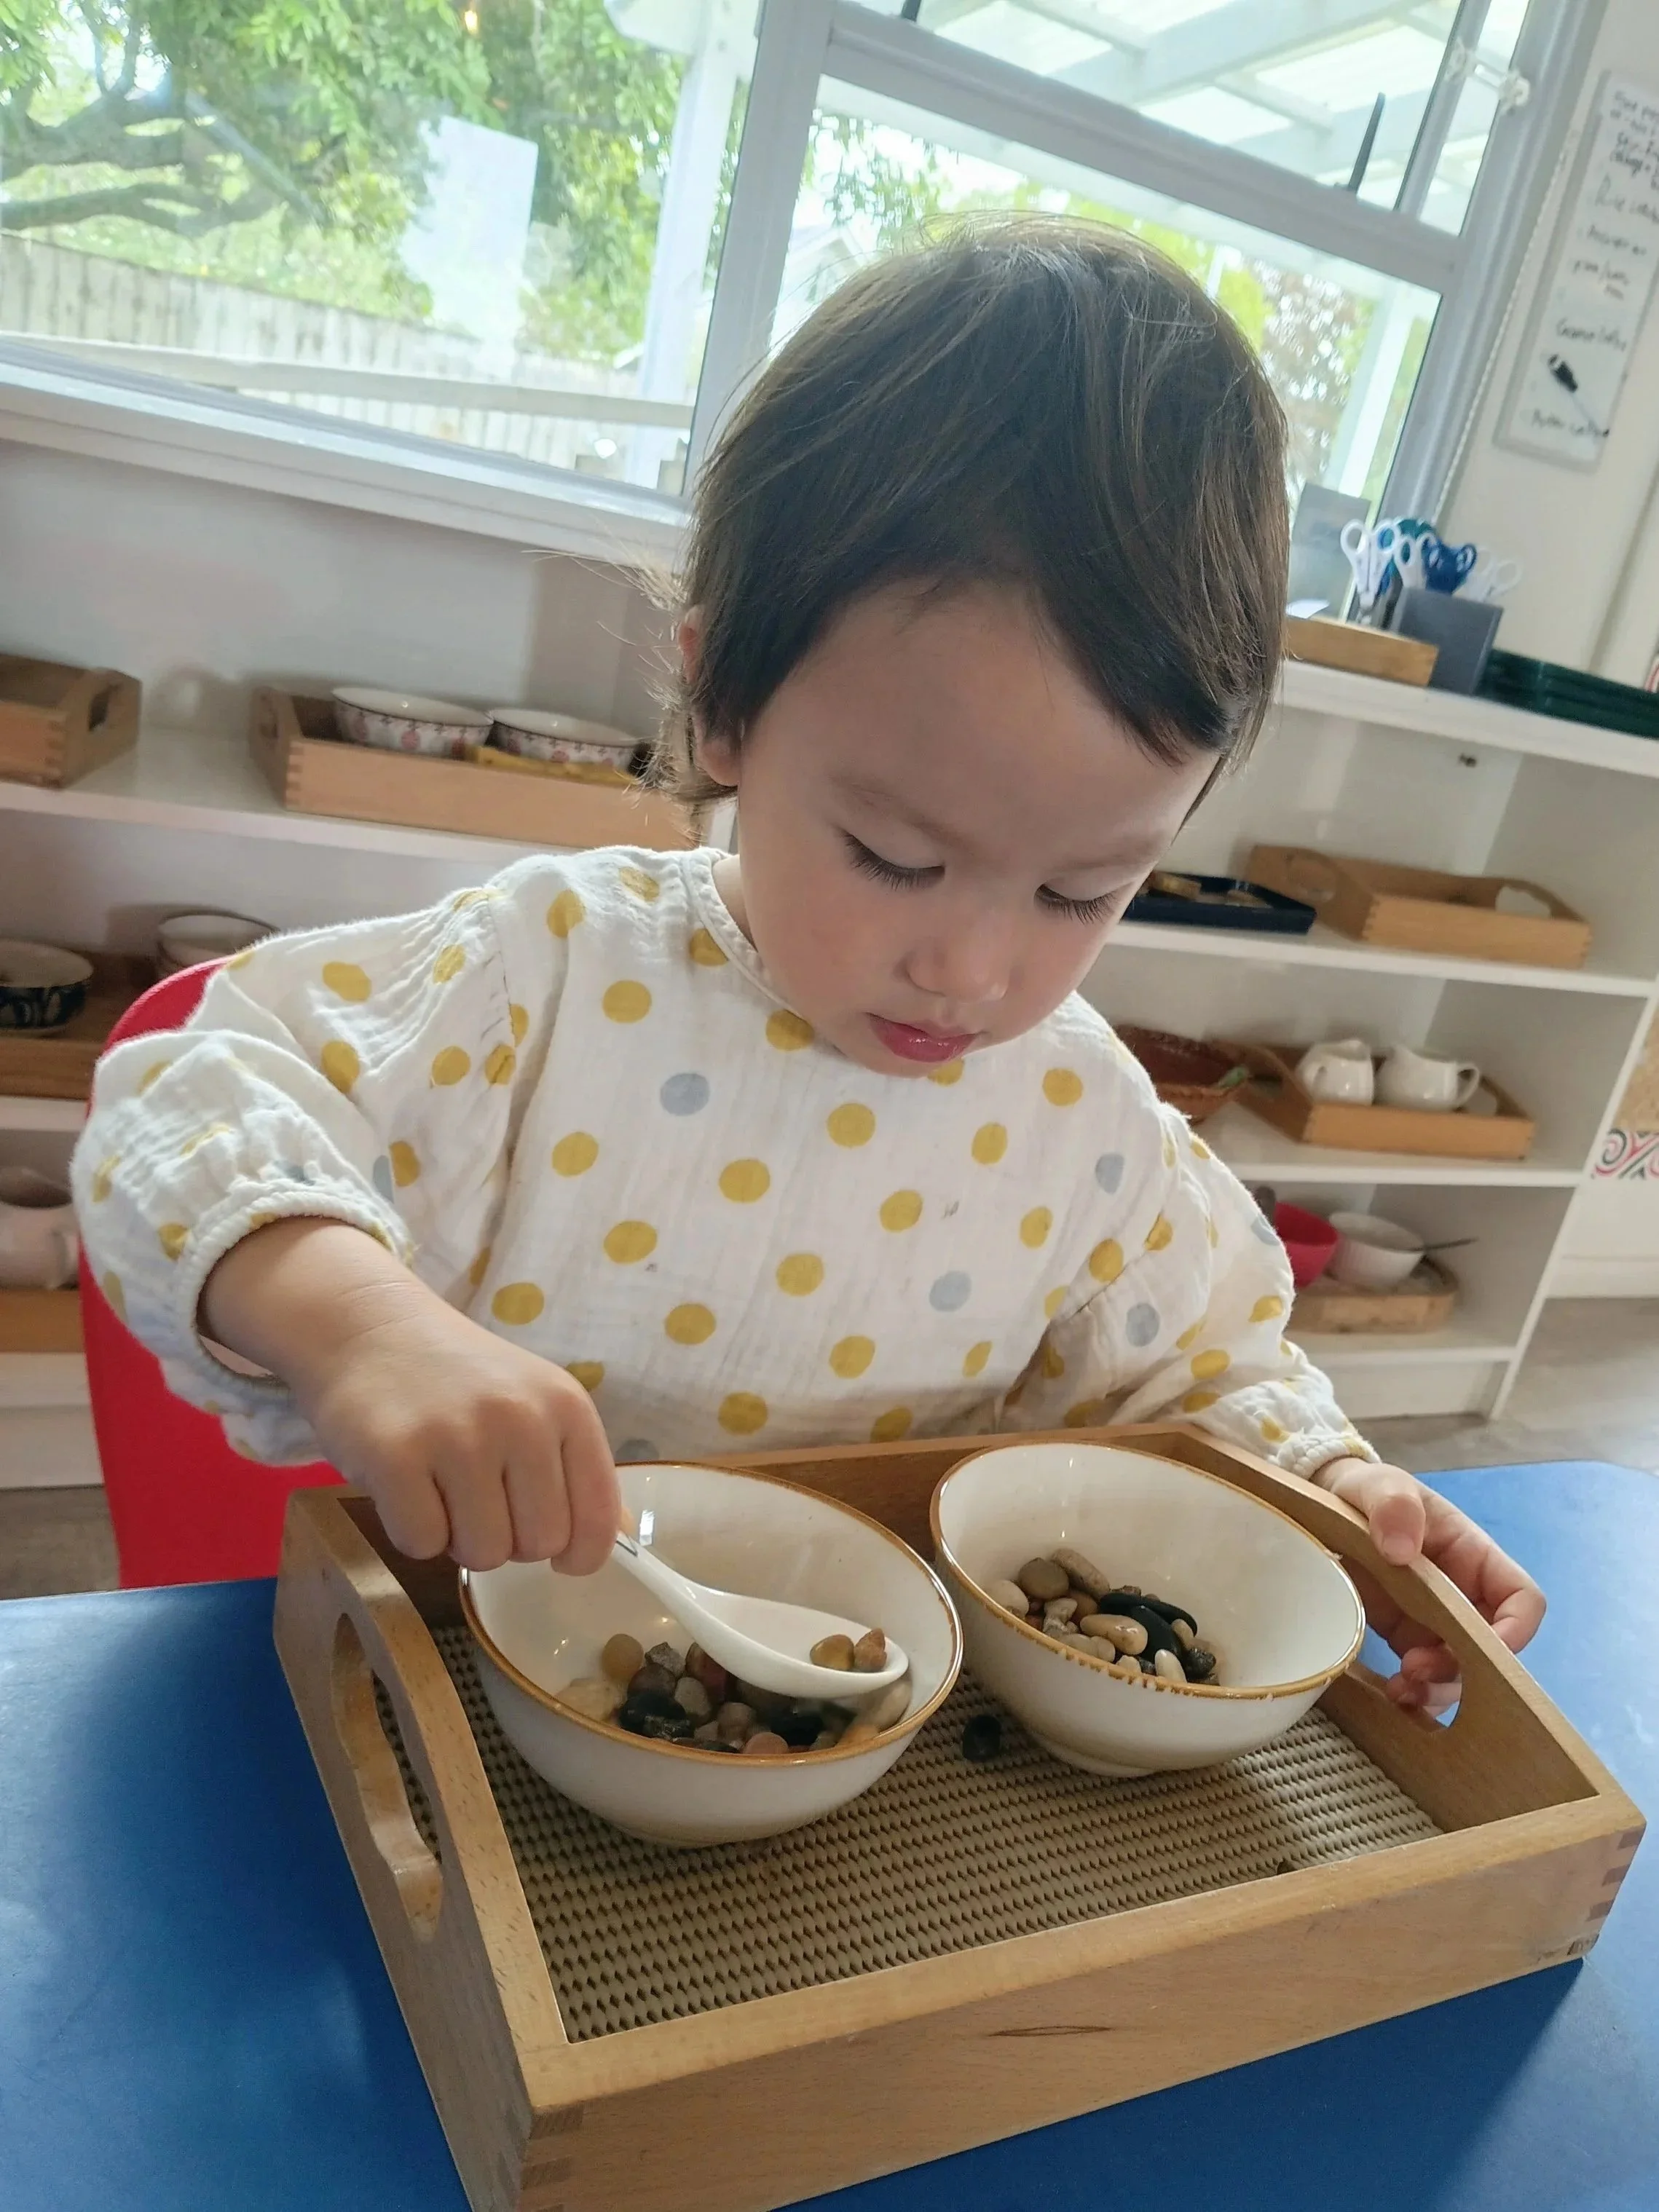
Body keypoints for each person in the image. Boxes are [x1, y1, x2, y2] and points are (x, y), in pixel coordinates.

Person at [72, 218, 1541, 1711]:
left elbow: (1208, 1374)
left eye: (1080, 888)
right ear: (723, 703)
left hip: (869, 1758)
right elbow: (182, 1100)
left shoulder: (1084, 1130)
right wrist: (360, 1327)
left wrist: (1335, 1493)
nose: (969, 967)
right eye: (895, 858)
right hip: (497, 1703)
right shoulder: (550, 980)